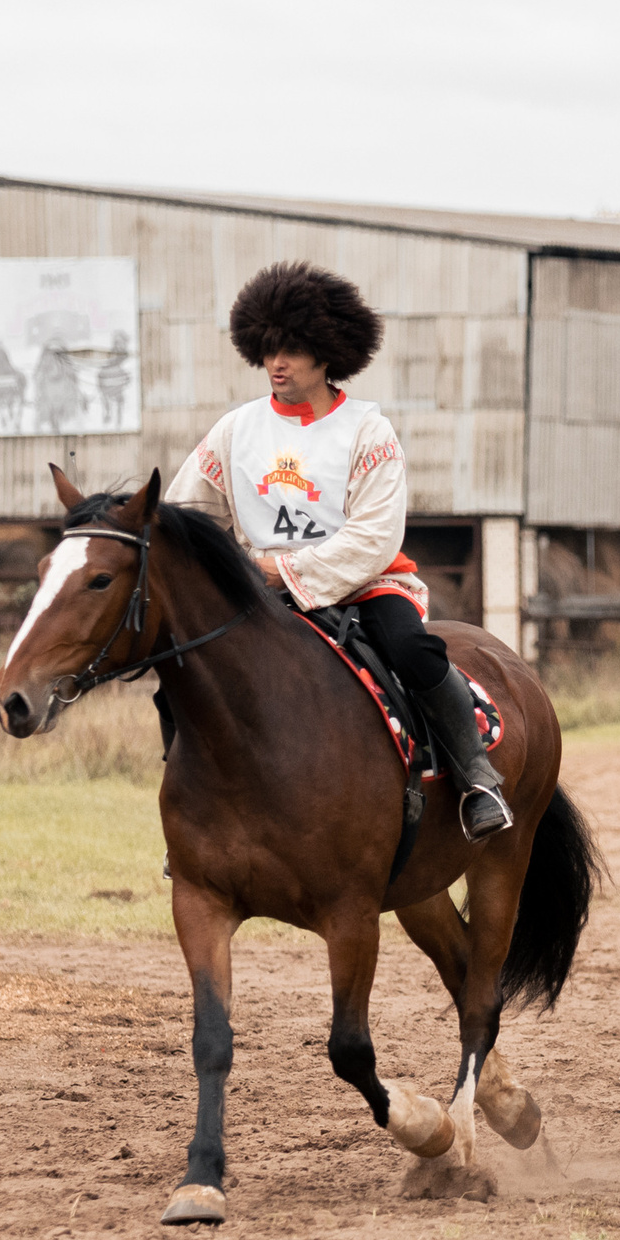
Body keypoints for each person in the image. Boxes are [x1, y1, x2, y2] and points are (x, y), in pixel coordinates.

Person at [165, 261, 513, 841]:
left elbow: (375, 536)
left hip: (366, 582)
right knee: (181, 665)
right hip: (256, 588)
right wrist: (219, 569)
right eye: (269, 348)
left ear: (328, 353)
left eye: (293, 349)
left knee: (413, 649)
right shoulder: (233, 432)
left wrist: (283, 569)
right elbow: (188, 513)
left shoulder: (369, 434)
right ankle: (195, 807)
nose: (277, 363)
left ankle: (477, 777)